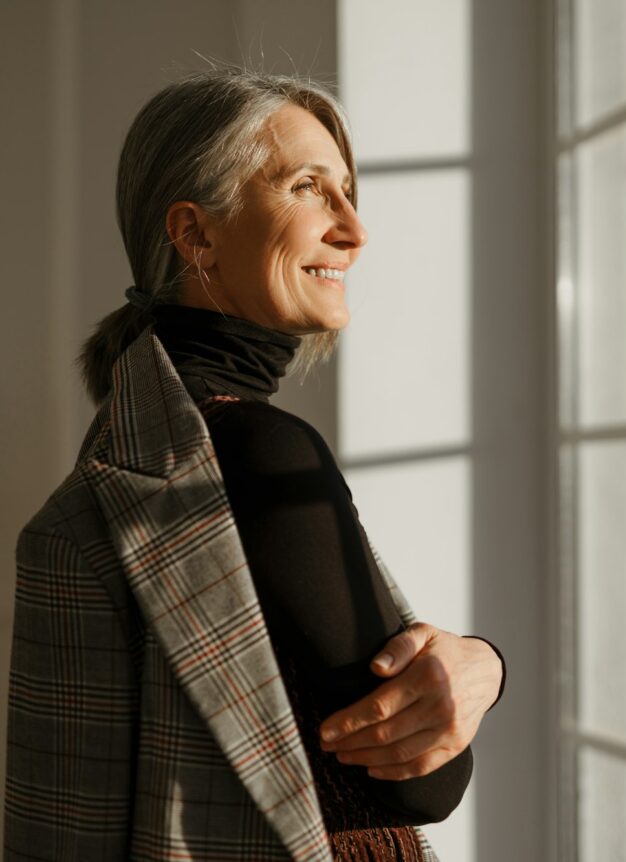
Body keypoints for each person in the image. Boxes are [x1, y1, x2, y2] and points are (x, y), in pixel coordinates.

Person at [3, 68, 504, 862]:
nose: (354, 229)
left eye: (349, 191)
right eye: (310, 187)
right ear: (195, 234)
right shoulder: (261, 450)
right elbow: (425, 784)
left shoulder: (122, 454)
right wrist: (485, 666)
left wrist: (476, 663)